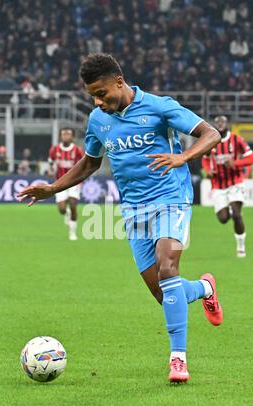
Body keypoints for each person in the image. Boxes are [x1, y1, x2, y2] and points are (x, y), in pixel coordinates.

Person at [18, 53, 223, 384]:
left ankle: (178, 360)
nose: (98, 102)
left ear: (119, 81)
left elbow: (211, 134)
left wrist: (182, 157)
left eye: (102, 93)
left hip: (171, 198)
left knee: (168, 265)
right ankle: (204, 288)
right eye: (92, 97)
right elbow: (90, 163)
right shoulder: (99, 121)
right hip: (133, 209)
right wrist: (53, 189)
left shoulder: (159, 106)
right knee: (163, 293)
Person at [202, 115, 253, 258]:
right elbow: (205, 159)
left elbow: (251, 158)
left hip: (235, 183)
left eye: (222, 122)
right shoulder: (211, 140)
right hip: (218, 186)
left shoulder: (237, 139)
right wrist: (208, 171)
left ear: (227, 124)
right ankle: (231, 210)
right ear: (214, 124)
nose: (220, 124)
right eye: (217, 122)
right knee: (223, 219)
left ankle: (241, 248)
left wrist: (236, 164)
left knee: (237, 215)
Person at [48, 128, 84, 241]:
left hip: (74, 181)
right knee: (62, 209)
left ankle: (72, 233)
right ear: (60, 136)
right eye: (64, 134)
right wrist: (50, 169)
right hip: (60, 182)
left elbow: (84, 163)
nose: (66, 136)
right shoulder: (55, 149)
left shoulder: (77, 150)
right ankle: (66, 213)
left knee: (73, 204)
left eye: (68, 134)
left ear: (72, 137)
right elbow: (51, 160)